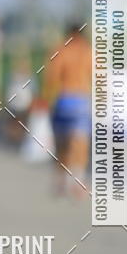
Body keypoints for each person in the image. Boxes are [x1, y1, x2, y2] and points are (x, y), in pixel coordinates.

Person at [44, 22, 92, 198]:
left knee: (62, 144)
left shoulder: (60, 50)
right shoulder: (89, 51)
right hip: (82, 100)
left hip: (63, 100)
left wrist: (48, 99)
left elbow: (52, 77)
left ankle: (61, 180)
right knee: (80, 142)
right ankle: (78, 180)